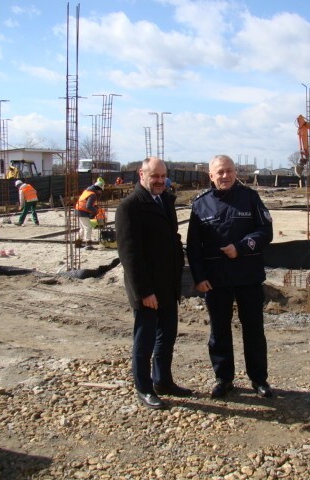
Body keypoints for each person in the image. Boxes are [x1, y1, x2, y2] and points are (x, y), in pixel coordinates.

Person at [186, 154, 274, 398]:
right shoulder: (200, 204)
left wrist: (242, 246)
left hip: (248, 276)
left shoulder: (250, 197)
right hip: (216, 279)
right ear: (211, 176)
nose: (225, 176)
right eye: (220, 172)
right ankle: (223, 378)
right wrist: (199, 277)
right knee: (219, 330)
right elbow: (193, 247)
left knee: (254, 330)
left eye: (229, 171)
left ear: (236, 173)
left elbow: (266, 231)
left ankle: (259, 380)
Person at [115, 157, 192, 409]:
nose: (159, 181)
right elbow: (129, 255)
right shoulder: (130, 206)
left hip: (168, 284)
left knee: (167, 336)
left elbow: (172, 237)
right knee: (145, 340)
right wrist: (144, 292)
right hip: (148, 288)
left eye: (162, 176)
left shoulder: (165, 200)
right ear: (141, 174)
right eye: (154, 176)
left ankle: (163, 381)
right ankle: (144, 388)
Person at [75, 178, 104, 250]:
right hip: (82, 212)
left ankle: (78, 243)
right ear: (98, 189)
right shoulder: (93, 194)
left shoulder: (87, 191)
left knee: (82, 228)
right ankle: (88, 244)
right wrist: (96, 211)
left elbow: (87, 202)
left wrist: (95, 207)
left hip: (78, 210)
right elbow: (88, 206)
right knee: (88, 227)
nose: (100, 193)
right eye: (101, 191)